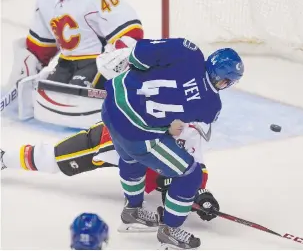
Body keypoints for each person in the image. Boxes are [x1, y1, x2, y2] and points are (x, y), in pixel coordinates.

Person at [98, 38, 244, 249]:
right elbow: (185, 121)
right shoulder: (212, 106)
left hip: (111, 107)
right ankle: (170, 230)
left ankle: (133, 210)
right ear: (225, 81)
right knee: (189, 174)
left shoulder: (188, 51)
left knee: (130, 158)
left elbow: (139, 54)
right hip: (136, 133)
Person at [0, 122, 219, 223]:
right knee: (55, 158)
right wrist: (171, 184)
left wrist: (201, 195)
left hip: (140, 155)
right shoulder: (166, 117)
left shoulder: (193, 131)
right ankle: (4, 159)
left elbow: (194, 168)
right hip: (112, 141)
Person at [23, 0, 143, 89]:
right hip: (65, 62)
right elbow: (42, 44)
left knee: (75, 94)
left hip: (95, 61)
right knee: (47, 91)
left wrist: (115, 59)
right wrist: (30, 62)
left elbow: (131, 29)